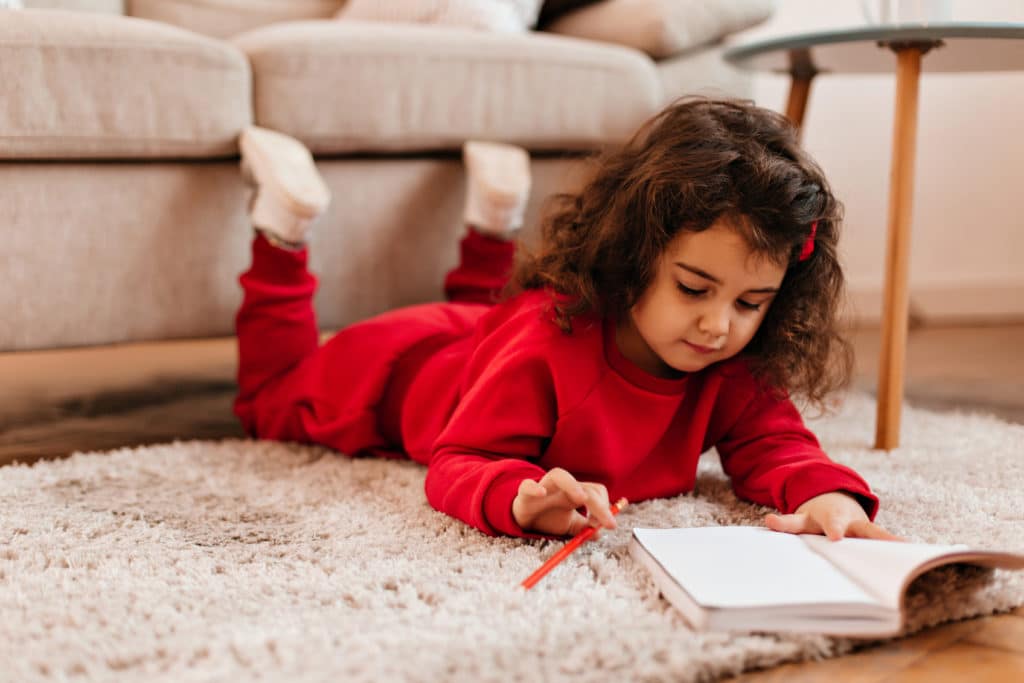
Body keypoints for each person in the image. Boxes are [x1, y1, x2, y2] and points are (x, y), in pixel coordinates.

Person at [233, 98, 899, 542]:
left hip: (485, 338)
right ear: (637, 254)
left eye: (750, 303)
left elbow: (777, 445)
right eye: (694, 288)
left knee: (488, 316)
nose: (719, 324)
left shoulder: (732, 364)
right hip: (396, 371)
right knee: (266, 397)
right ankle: (285, 231)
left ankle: (494, 217)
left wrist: (830, 499)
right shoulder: (546, 349)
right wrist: (519, 496)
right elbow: (459, 459)